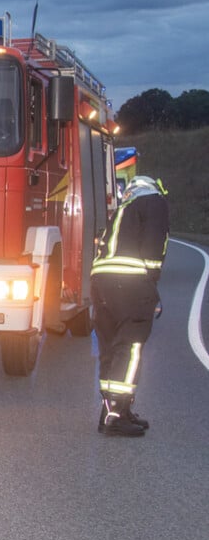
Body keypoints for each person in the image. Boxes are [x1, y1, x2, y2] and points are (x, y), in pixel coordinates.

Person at [91, 175, 170, 437]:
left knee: (110, 346)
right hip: (131, 283)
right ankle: (117, 415)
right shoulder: (154, 203)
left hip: (101, 281)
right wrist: (151, 284)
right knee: (130, 346)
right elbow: (154, 246)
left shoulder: (123, 209)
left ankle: (112, 411)